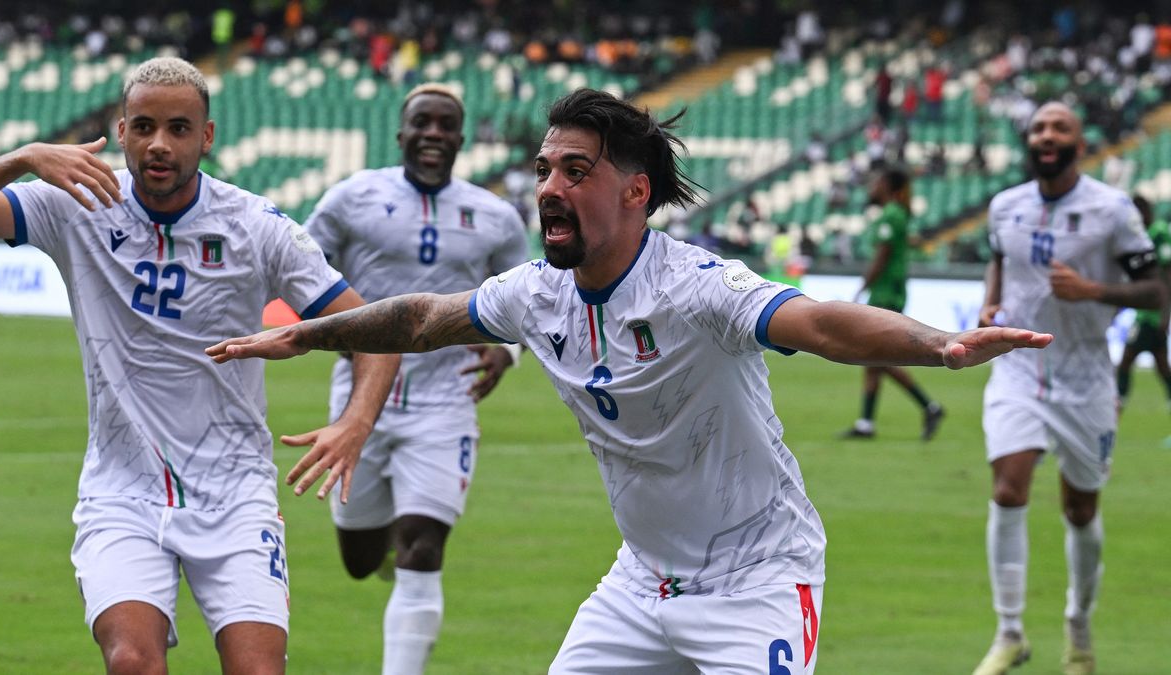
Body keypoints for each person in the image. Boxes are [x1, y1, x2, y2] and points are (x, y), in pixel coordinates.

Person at [208, 88, 1051, 674]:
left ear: (634, 191)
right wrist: (305, 335)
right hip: (640, 580)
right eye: (544, 170)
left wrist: (939, 344)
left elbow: (825, 323)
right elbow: (424, 317)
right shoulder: (537, 293)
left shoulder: (700, 287)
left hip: (757, 578)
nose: (548, 189)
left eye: (575, 172)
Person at [0, 56, 399, 674]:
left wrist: (355, 424)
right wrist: (22, 158)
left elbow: (376, 333)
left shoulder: (256, 225)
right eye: (143, 126)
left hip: (235, 493)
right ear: (121, 132)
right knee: (131, 663)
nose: (159, 144)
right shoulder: (74, 204)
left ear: (208, 136)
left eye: (178, 128)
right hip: (122, 491)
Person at [302, 83, 529, 675]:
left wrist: (509, 354)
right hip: (360, 400)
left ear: (460, 138)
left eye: (445, 125)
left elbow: (532, 302)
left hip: (444, 397)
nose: (433, 133)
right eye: (421, 123)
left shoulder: (496, 217)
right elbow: (300, 266)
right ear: (401, 134)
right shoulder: (352, 198)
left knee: (423, 547)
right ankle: (380, 547)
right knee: (359, 557)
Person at [973, 102, 1165, 675]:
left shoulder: (1113, 211)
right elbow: (999, 262)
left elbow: (1157, 291)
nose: (1048, 135)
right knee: (1009, 489)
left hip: (1084, 375)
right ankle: (1009, 632)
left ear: (1080, 144)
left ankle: (1078, 627)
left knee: (1080, 508)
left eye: (1060, 128)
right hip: (1017, 365)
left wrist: (1092, 291)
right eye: (1039, 128)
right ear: (1029, 142)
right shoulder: (1005, 206)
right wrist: (990, 300)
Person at [844, 166, 945, 440]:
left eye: (876, 182)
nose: (871, 187)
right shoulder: (900, 214)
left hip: (886, 291)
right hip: (892, 289)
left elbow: (882, 256)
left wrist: (863, 286)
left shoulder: (890, 214)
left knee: (875, 354)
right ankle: (866, 423)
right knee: (872, 359)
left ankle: (929, 406)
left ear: (887, 186)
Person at [1116, 194, 1171, 412]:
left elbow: (1168, 274)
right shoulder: (1144, 234)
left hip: (1152, 314)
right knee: (1161, 364)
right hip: (1145, 311)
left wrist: (1166, 314)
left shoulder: (1159, 233)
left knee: (1126, 360)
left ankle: (1119, 400)